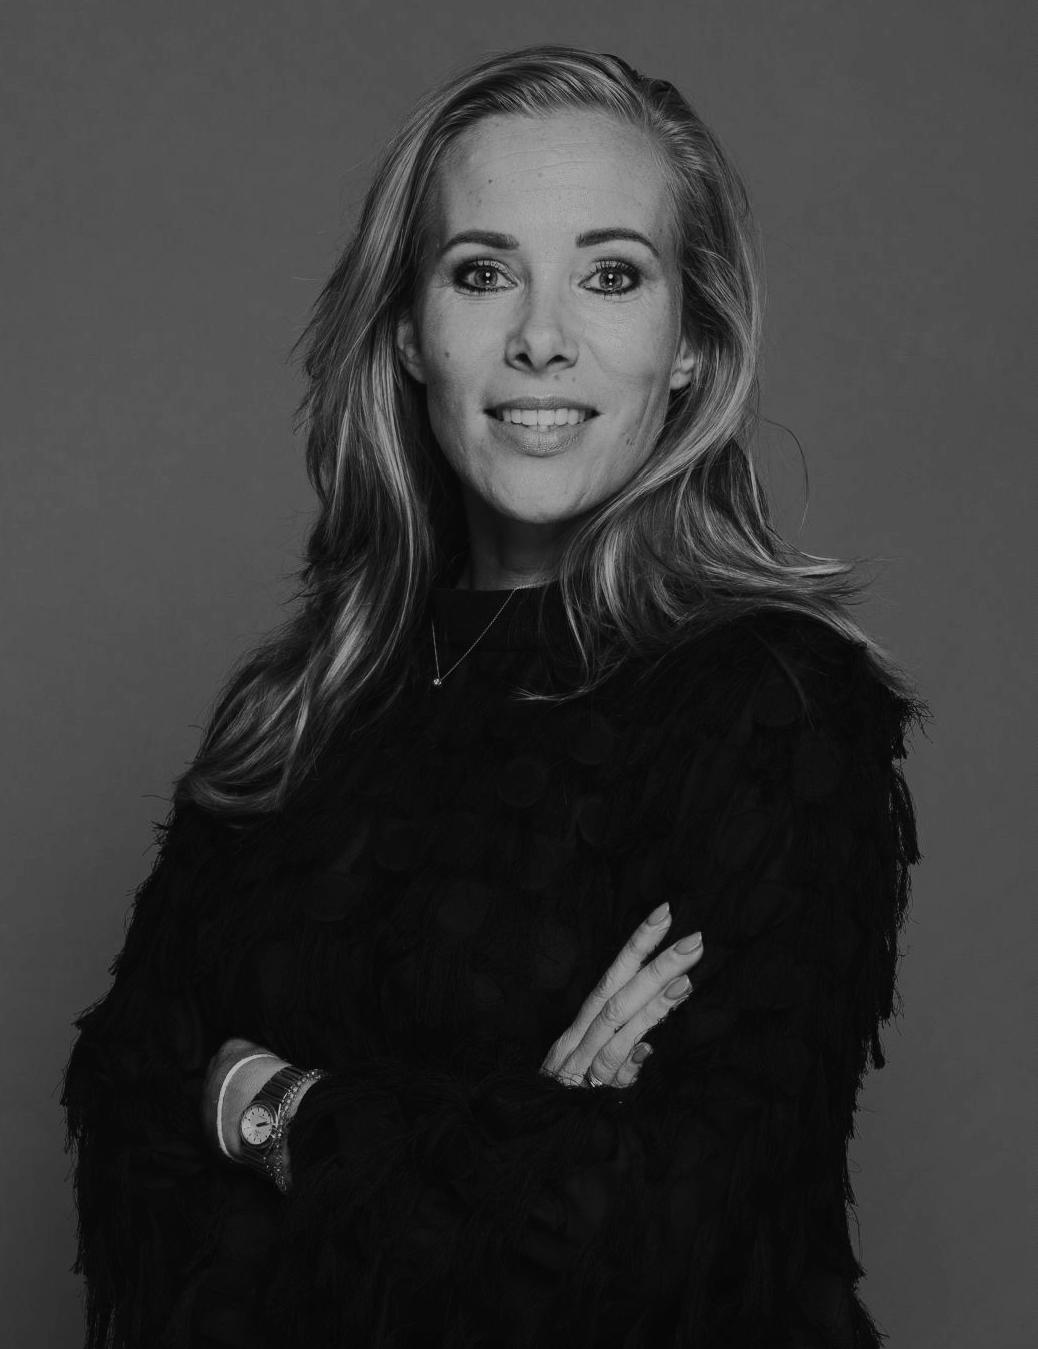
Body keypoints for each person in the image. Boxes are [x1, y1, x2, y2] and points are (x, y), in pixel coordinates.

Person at [61, 44, 929, 1349]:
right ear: (410, 331)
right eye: (482, 272)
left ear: (691, 344)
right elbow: (127, 1131)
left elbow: (667, 1238)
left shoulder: (774, 703)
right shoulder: (304, 701)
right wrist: (521, 1133)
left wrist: (271, 1109)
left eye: (609, 275)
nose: (539, 337)